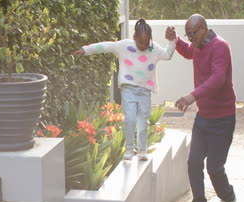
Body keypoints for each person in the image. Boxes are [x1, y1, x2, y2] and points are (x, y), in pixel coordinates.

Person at [166, 14, 237, 202]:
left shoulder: (220, 46)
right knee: (193, 162)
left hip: (223, 118)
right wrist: (176, 40)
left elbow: (218, 79)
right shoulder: (197, 45)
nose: (191, 39)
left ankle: (228, 197)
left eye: (192, 34)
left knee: (214, 167)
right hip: (203, 117)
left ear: (204, 28)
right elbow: (189, 52)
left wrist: (192, 96)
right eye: (188, 35)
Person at [73, 18, 175, 161]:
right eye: (141, 43)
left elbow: (168, 55)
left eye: (147, 42)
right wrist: (86, 50)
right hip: (128, 88)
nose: (144, 46)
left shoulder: (153, 48)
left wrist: (172, 40)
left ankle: (142, 150)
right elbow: (106, 46)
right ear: (134, 37)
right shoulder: (125, 46)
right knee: (130, 119)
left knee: (142, 121)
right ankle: (129, 149)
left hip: (144, 90)